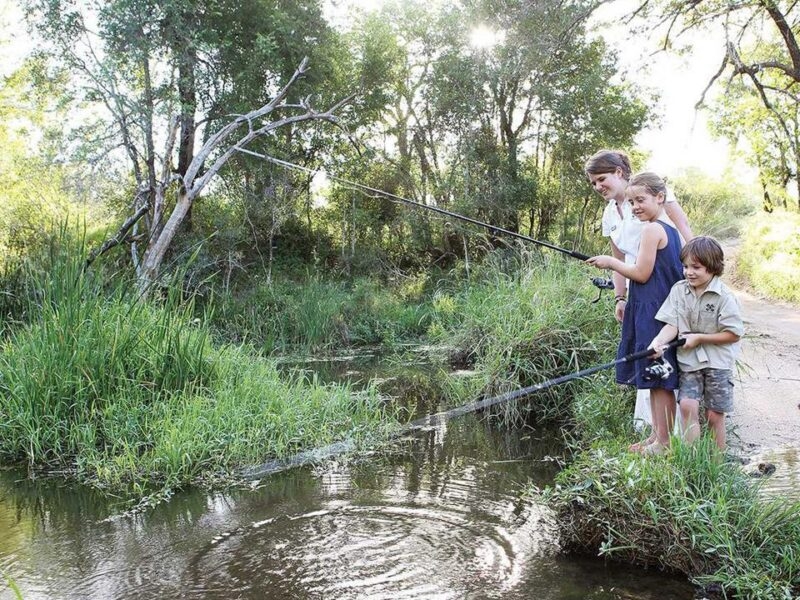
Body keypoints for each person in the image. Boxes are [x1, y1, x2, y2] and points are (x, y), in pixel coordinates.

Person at [584, 149, 693, 433]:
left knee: (662, 363)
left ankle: (671, 436)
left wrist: (698, 278)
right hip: (639, 293)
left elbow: (686, 235)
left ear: (619, 173)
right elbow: (619, 259)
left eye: (602, 179)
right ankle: (656, 434)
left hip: (663, 288)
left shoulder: (652, 198)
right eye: (593, 183)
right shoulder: (612, 212)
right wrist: (620, 297)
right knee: (649, 362)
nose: (598, 187)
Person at [648, 236, 744, 452]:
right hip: (689, 362)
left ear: (713, 268)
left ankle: (715, 466)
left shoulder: (725, 297)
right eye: (685, 266)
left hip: (718, 363)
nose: (689, 272)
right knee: (687, 405)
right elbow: (671, 324)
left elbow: (733, 334)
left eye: (696, 267)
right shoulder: (679, 290)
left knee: (714, 414)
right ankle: (692, 461)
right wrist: (659, 341)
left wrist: (700, 337)